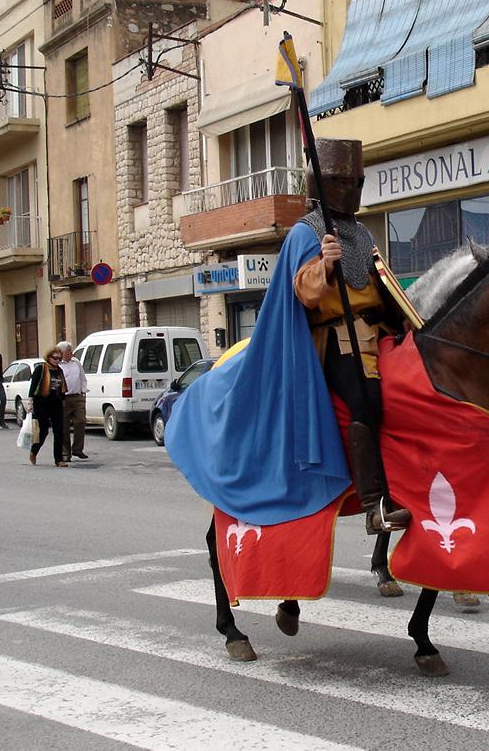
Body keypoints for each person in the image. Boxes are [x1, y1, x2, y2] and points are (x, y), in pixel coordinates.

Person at [168, 138, 410, 535]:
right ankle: (374, 505)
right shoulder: (306, 232)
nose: (352, 189)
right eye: (344, 181)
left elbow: (378, 285)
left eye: (357, 181)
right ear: (325, 183)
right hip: (335, 337)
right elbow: (302, 290)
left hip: (373, 330)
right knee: (366, 402)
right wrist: (325, 268)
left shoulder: (362, 234)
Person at [28, 346, 68, 467]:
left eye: (59, 359)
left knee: (59, 430)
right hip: (42, 402)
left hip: (56, 403)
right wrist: (30, 403)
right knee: (43, 431)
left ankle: (58, 459)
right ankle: (34, 451)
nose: (57, 361)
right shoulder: (41, 369)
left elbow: (62, 388)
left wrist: (64, 401)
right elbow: (33, 387)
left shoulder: (59, 371)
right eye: (55, 358)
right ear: (49, 357)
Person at [57, 340, 88, 461]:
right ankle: (66, 453)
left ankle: (78, 449)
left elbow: (83, 378)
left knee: (81, 421)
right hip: (64, 398)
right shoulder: (58, 365)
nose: (71, 352)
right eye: (69, 350)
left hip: (77, 397)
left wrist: (83, 392)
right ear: (62, 353)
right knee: (64, 426)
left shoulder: (76, 363)